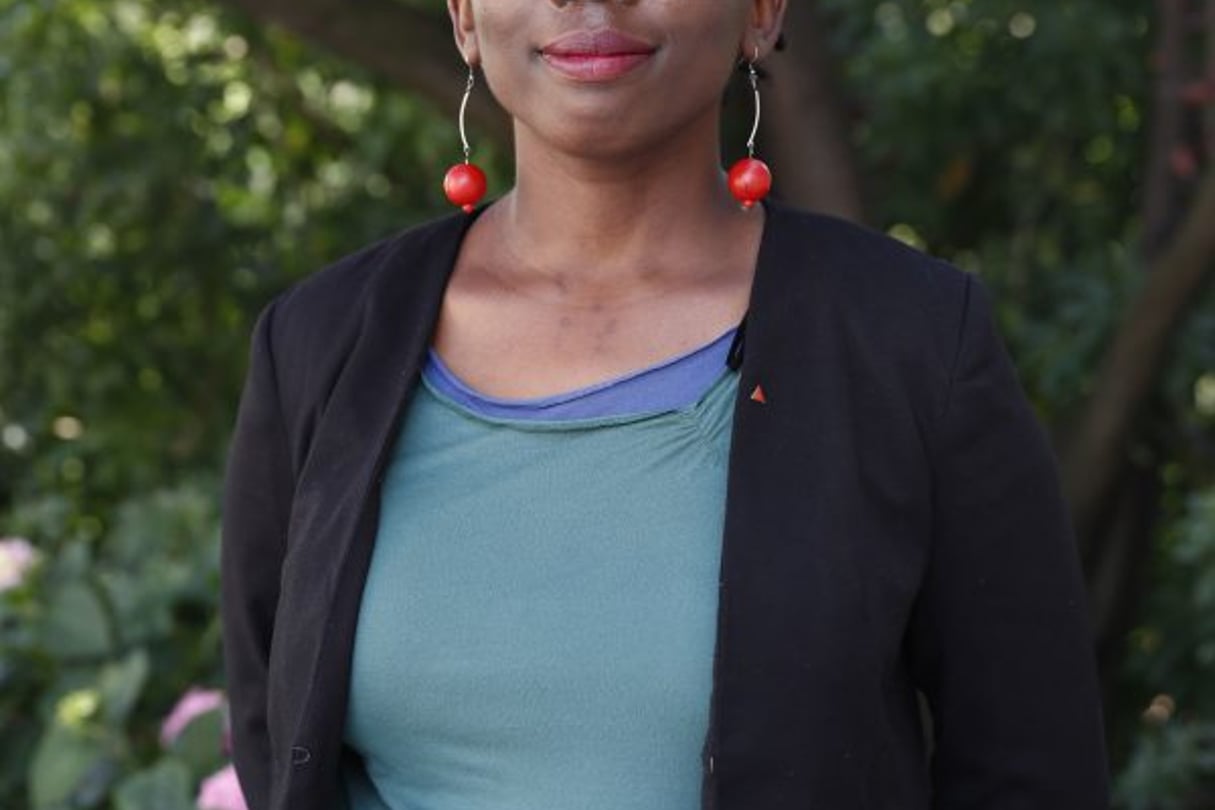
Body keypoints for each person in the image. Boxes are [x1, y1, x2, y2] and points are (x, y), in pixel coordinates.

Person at [219, 2, 1112, 809]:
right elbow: (273, 732)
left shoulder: (911, 342)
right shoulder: (319, 344)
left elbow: (1031, 769)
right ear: (463, 16)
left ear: (759, 13)